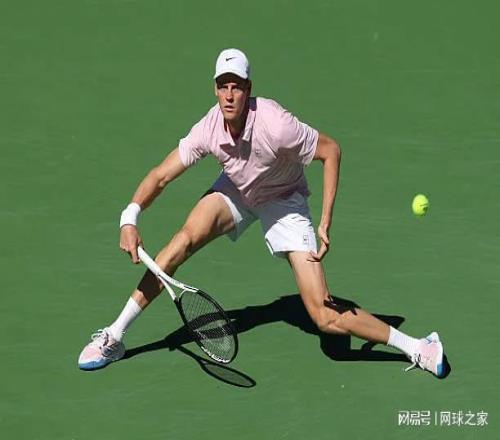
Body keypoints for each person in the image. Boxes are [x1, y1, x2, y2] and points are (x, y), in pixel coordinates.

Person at [78, 48, 446, 377]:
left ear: (248, 89)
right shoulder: (208, 128)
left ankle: (418, 346)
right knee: (180, 243)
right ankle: (115, 335)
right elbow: (161, 175)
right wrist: (129, 218)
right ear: (215, 90)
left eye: (236, 86)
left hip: (284, 199)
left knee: (324, 316)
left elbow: (331, 150)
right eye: (223, 86)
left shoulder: (276, 125)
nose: (229, 95)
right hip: (238, 189)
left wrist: (325, 221)